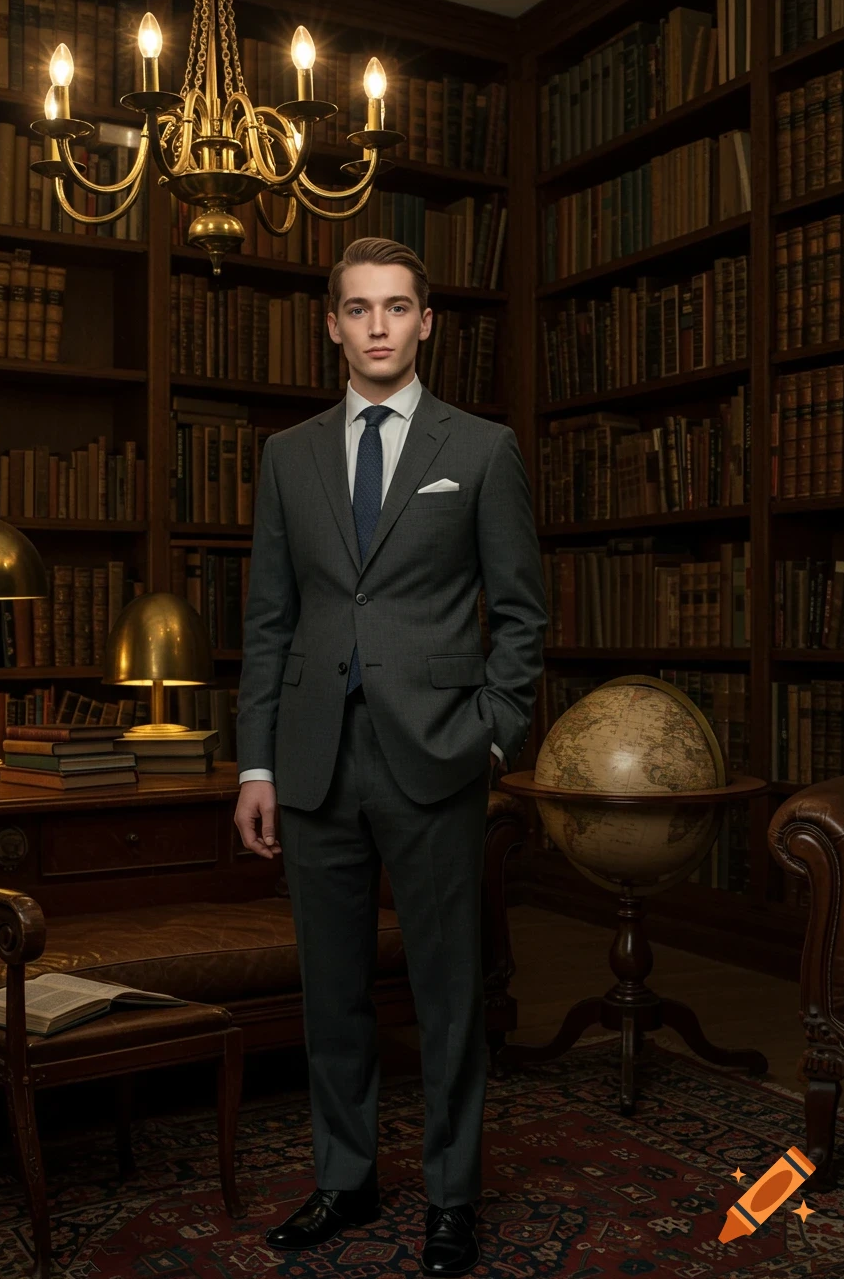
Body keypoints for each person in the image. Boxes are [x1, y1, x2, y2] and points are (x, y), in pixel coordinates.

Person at [233, 236, 547, 1278]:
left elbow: (519, 614)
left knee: (449, 988)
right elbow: (269, 621)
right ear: (331, 323)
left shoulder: (482, 447)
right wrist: (256, 766)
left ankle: (451, 1194)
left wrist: (492, 731)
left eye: (396, 307)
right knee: (332, 990)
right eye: (357, 308)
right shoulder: (289, 455)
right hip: (314, 757)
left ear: (425, 324)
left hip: (437, 757)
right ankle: (345, 1175)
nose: (377, 325)